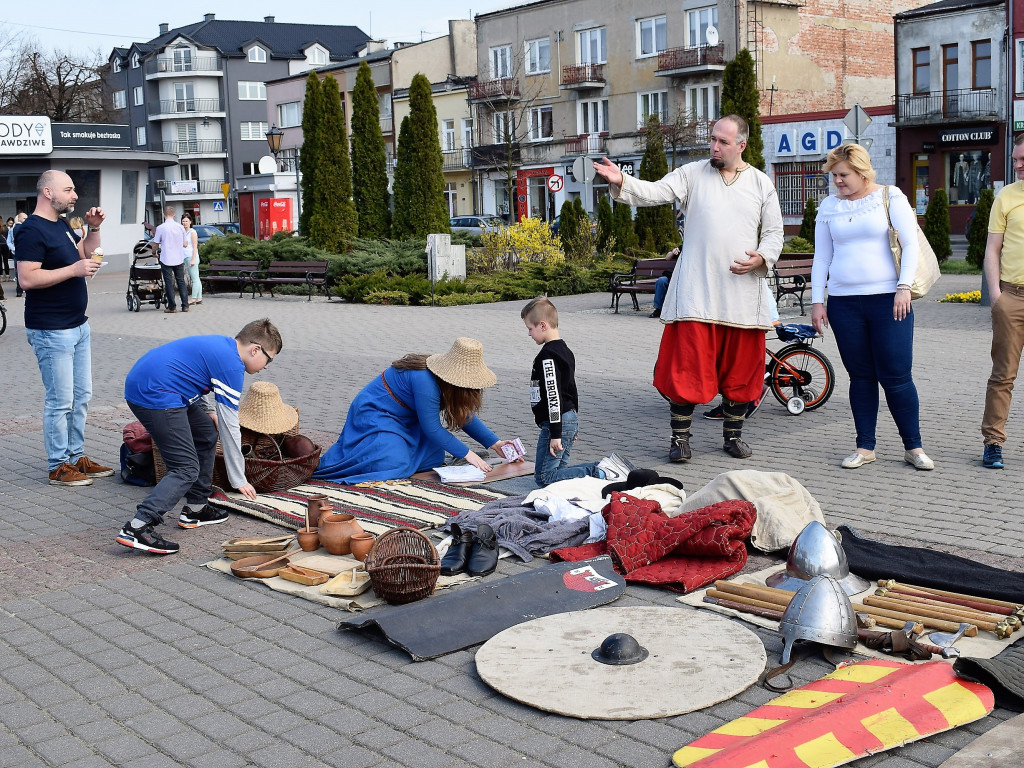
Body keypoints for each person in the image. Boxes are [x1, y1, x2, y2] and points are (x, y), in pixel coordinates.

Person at [593, 114, 783, 462]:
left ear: (741, 145)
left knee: (741, 372)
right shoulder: (692, 174)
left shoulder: (761, 184)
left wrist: (762, 258)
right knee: (687, 371)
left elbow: (774, 234)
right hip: (697, 293)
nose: (714, 146)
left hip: (741, 295)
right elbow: (655, 192)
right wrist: (623, 180)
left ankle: (733, 436)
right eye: (712, 139)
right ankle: (680, 440)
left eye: (722, 142)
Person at [810, 143, 933, 471]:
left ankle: (914, 447)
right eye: (833, 175)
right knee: (861, 376)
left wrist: (903, 288)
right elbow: (822, 256)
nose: (837, 181)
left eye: (843, 175)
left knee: (896, 375)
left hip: (889, 300)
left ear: (862, 172)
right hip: (843, 305)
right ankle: (865, 447)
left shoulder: (890, 197)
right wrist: (817, 301)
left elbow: (910, 246)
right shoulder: (829, 207)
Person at [117, 319, 281, 555]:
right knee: (185, 468)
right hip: (155, 394)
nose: (267, 366)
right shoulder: (233, 366)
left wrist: (208, 412)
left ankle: (196, 507)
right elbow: (230, 426)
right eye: (269, 358)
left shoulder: (224, 346)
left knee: (206, 433)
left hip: (155, 385)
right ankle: (139, 526)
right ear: (255, 349)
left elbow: (189, 374)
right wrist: (239, 479)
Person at [15, 171, 112, 486]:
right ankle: (58, 465)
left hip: (77, 325)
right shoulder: (30, 230)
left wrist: (94, 230)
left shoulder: (63, 225)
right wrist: (73, 270)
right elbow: (27, 278)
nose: (74, 196)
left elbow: (85, 254)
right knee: (60, 399)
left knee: (81, 395)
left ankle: (76, 457)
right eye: (68, 190)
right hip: (50, 329)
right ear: (47, 192)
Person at [314, 337, 514, 484]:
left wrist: (494, 443)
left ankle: (402, 452)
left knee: (435, 457)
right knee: (394, 464)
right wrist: (468, 453)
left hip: (405, 420)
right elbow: (432, 428)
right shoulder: (425, 380)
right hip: (377, 415)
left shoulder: (449, 382)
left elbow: (463, 414)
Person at [522, 297, 630, 485]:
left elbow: (553, 394)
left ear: (542, 325)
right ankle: (606, 468)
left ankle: (600, 471)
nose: (529, 334)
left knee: (545, 478)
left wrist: (556, 432)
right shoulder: (565, 350)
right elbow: (571, 388)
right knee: (559, 474)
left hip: (556, 422)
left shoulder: (547, 356)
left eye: (530, 329)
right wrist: (573, 421)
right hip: (566, 419)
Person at [981, 135, 1024, 469]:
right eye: (1015, 159)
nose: (1018, 165)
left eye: (1023, 160)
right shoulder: (1006, 196)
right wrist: (996, 295)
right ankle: (993, 442)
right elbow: (992, 249)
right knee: (1003, 376)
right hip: (1013, 298)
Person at [152, 205, 189, 313]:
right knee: (181, 282)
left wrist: (154, 252)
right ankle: (185, 306)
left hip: (166, 258)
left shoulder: (160, 228)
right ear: (174, 215)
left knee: (168, 283)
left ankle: (172, 307)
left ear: (164, 215)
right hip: (179, 258)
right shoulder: (180, 227)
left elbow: (155, 244)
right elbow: (185, 244)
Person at [649, 246, 680, 319]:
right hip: (674, 276)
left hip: (685, 278)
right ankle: (658, 309)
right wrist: (673, 252)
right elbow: (667, 258)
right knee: (661, 281)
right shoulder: (682, 247)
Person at [183, 214, 202, 305]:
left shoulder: (192, 232)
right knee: (196, 278)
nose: (185, 223)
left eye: (186, 221)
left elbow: (195, 247)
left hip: (191, 257)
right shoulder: (183, 232)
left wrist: (193, 260)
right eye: (183, 221)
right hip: (185, 257)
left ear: (190, 222)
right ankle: (199, 297)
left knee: (194, 279)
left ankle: (193, 298)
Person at [8, 212, 27, 298]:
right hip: (20, 252)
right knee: (20, 271)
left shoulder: (14, 229)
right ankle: (21, 288)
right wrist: (13, 248)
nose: (26, 220)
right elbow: (9, 241)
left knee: (19, 270)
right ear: (19, 219)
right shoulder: (15, 229)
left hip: (19, 252)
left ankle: (20, 289)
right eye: (24, 218)